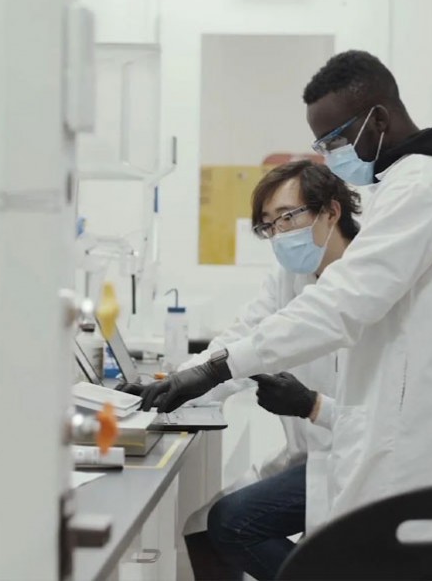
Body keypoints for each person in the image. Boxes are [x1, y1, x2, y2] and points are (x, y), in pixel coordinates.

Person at [140, 49, 432, 571]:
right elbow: (267, 323)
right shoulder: (409, 185)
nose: (331, 156)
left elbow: (340, 305)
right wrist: (193, 374)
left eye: (335, 139)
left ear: (378, 119)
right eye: (322, 145)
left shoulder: (422, 186)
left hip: (413, 451)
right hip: (387, 441)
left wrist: (218, 368)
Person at [120, 160, 363, 580]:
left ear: (331, 211)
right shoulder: (291, 277)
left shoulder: (368, 285)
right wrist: (177, 383)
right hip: (311, 456)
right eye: (270, 225)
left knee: (232, 523)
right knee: (201, 529)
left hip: (355, 458)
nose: (280, 234)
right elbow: (241, 339)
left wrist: (311, 405)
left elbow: (388, 419)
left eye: (288, 217)